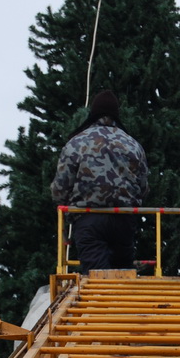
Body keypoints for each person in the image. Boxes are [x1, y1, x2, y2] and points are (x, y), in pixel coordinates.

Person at [51, 90, 148, 274]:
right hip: (124, 218)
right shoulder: (133, 144)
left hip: (88, 218)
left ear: (93, 112)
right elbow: (143, 187)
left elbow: (60, 188)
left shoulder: (76, 142)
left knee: (96, 277)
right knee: (123, 275)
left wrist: (66, 208)